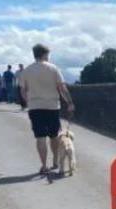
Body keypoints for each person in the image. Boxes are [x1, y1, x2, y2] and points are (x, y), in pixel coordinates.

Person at [19, 43, 75, 174]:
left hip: (35, 107)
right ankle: (55, 161)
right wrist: (70, 103)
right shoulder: (53, 68)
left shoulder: (27, 71)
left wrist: (29, 102)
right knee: (54, 136)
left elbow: (22, 91)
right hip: (52, 107)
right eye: (48, 55)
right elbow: (62, 88)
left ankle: (44, 165)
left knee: (40, 137)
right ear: (44, 54)